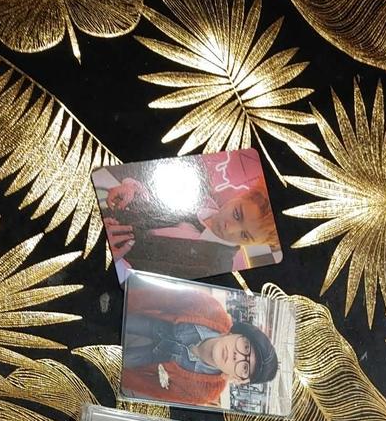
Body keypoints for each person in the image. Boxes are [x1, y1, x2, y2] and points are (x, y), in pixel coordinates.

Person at [94, 162, 279, 281]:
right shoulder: (199, 199)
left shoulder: (216, 267)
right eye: (237, 214)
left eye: (244, 235)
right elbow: (154, 206)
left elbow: (145, 286)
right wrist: (132, 187)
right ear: (239, 196)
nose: (229, 229)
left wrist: (116, 260)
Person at [122, 280, 278, 406]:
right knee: (126, 321)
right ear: (236, 333)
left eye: (245, 367)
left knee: (123, 360)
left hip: (152, 360)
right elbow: (161, 297)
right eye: (246, 347)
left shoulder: (206, 392)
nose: (237, 356)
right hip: (155, 323)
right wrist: (123, 301)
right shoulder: (211, 308)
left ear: (237, 378)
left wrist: (117, 374)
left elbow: (151, 388)